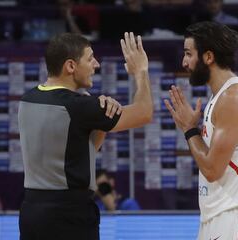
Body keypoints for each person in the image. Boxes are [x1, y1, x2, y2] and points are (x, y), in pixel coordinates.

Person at [18, 32, 153, 240]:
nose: (96, 64)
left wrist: (98, 122)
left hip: (31, 213)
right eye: (90, 59)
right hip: (70, 215)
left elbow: (80, 151)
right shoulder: (80, 107)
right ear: (71, 66)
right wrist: (141, 72)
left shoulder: (28, 99)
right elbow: (144, 112)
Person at [164, 21, 238, 240]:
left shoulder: (234, 97)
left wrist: (189, 129)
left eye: (188, 54)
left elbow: (212, 169)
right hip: (218, 213)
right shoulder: (220, 96)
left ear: (208, 57)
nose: (184, 62)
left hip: (236, 213)